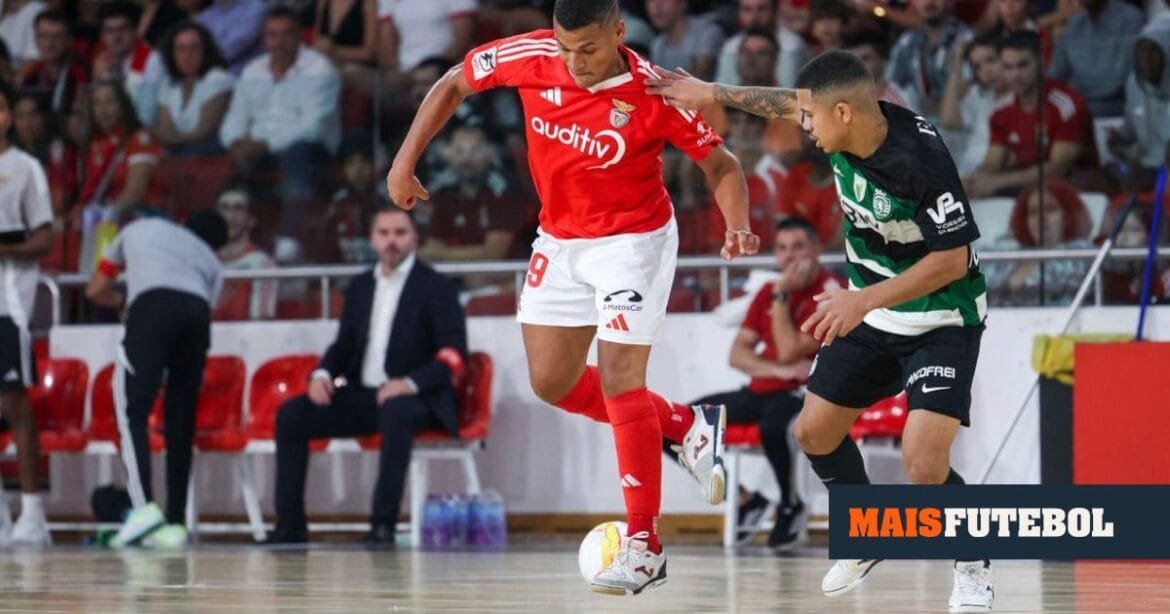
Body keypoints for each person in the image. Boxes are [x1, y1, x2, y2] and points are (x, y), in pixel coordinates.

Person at [387, 0, 759, 595]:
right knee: (553, 382)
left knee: (619, 379)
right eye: (565, 48)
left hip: (633, 242)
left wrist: (735, 222)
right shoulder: (532, 55)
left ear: (618, 32)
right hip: (560, 239)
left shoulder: (654, 90)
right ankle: (687, 426)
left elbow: (723, 164)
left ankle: (645, 546)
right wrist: (404, 163)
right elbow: (454, 82)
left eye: (588, 49)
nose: (574, 62)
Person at [647, 49, 994, 611]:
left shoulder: (919, 162)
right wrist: (711, 92)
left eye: (811, 118)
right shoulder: (843, 121)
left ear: (844, 113)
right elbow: (787, 103)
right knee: (813, 432)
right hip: (872, 312)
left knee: (923, 463)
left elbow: (953, 259)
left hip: (942, 319)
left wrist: (863, 299)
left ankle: (973, 562)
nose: (801, 127)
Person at [268, 205, 467, 546]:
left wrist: (408, 383)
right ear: (373, 239)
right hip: (365, 394)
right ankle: (290, 527)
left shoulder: (435, 286)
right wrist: (323, 373)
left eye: (400, 233)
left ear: (414, 238)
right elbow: (345, 344)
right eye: (384, 233)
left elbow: (453, 354)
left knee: (395, 412)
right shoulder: (360, 286)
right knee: (292, 415)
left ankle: (382, 526)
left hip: (417, 398)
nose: (392, 241)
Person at [672, 217, 842, 549]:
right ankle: (744, 498)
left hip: (804, 393)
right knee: (679, 423)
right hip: (762, 389)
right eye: (782, 249)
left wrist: (781, 297)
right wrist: (776, 370)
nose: (790, 258)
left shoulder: (830, 292)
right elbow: (737, 354)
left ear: (817, 250)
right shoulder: (768, 290)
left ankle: (790, 504)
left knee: (774, 427)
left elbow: (792, 348)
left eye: (798, 247)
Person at [84, 208, 227, 548]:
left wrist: (121, 302)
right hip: (196, 317)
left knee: (131, 408)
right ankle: (175, 522)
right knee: (181, 420)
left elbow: (95, 288)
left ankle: (141, 508)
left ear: (182, 222)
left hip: (151, 308)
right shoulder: (212, 261)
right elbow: (206, 303)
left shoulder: (141, 227)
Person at [219, 6, 340, 258]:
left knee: (299, 153)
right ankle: (227, 242)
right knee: (225, 163)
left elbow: (312, 127)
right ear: (264, 39)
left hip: (310, 152)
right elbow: (234, 119)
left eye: (286, 34)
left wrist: (264, 144)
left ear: (299, 36)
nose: (279, 42)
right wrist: (236, 142)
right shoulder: (253, 70)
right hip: (258, 151)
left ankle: (289, 240)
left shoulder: (320, 69)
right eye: (272, 35)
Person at [0, 81, 54, 547]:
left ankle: (34, 513)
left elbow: (43, 240)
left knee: (16, 405)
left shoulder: (25, 169)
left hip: (9, 306)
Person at [965, 32, 1092, 198]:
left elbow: (1058, 169)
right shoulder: (1000, 111)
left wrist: (997, 182)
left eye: (1023, 65)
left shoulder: (1067, 104)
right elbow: (992, 164)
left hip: (1075, 191)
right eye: (1008, 67)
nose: (1015, 75)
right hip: (1025, 192)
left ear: (1042, 62)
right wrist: (971, 182)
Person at [155, 21, 234, 155]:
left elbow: (205, 130)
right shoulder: (168, 84)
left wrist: (172, 140)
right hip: (179, 150)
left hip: (213, 150)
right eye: (180, 49)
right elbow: (165, 129)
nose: (187, 55)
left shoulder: (219, 78)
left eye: (195, 48)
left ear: (206, 50)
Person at [92, 1, 165, 126]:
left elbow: (147, 115)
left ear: (136, 30)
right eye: (109, 31)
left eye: (123, 29)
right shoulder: (102, 63)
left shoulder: (152, 61)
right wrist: (97, 79)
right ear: (102, 35)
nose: (116, 37)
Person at [212, 186, 277, 320]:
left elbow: (261, 324)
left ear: (251, 220)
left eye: (238, 208)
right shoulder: (206, 260)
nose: (230, 216)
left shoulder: (262, 263)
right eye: (224, 208)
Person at [19, 9, 90, 116]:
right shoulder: (31, 76)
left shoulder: (82, 73)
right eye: (44, 36)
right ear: (36, 41)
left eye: (57, 36)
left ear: (69, 40)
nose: (50, 44)